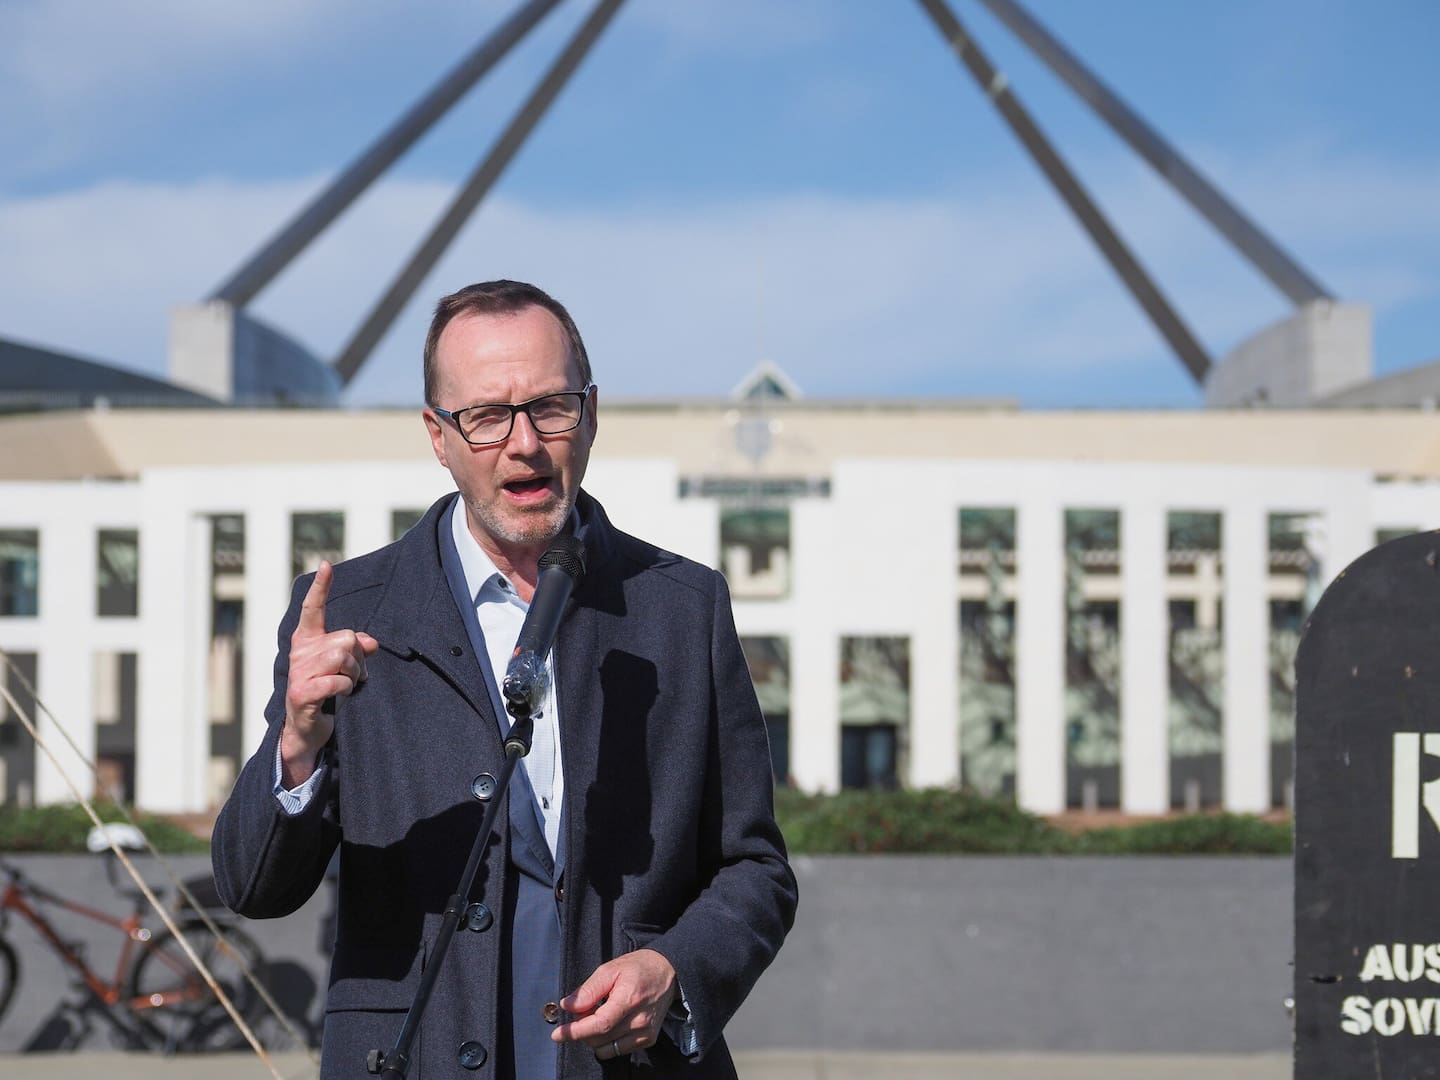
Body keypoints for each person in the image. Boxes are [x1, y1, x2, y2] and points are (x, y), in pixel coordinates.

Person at [212, 280, 797, 1080]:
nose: (524, 442)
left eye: (550, 406)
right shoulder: (345, 613)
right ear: (437, 435)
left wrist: (676, 972)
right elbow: (250, 886)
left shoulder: (683, 607)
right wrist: (296, 752)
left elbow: (755, 868)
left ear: (590, 415)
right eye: (486, 416)